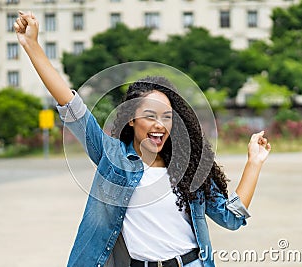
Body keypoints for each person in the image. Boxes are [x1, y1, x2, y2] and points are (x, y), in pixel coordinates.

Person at [14, 11, 271, 267]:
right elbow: (72, 107)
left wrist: (254, 162)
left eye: (167, 117)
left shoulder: (188, 167)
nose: (159, 124)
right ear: (131, 119)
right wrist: (32, 46)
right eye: (150, 116)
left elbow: (231, 218)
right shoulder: (112, 157)